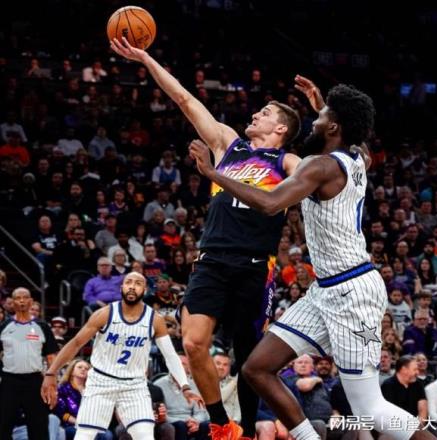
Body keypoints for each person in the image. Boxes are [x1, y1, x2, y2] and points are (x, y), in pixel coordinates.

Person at [189, 75, 436, 440]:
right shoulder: (358, 157)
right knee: (256, 368)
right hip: (325, 291)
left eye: (320, 117)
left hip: (353, 291)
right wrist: (322, 103)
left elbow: (270, 203)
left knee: (370, 409)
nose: (312, 121)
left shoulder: (320, 167)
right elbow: (355, 140)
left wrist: (212, 173)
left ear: (334, 128)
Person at [110, 37, 302, 439]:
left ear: (281, 128)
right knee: (194, 343)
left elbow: (317, 180)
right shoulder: (228, 145)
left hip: (255, 266)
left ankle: (247, 428)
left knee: (249, 359)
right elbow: (184, 98)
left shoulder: (288, 162)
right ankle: (220, 424)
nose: (256, 114)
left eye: (265, 113)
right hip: (212, 259)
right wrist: (145, 59)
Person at [41, 272, 203, 440]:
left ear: (145, 290)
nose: (132, 286)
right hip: (101, 381)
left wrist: (185, 386)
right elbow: (76, 343)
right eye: (128, 282)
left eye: (138, 283)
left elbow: (170, 356)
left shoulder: (155, 320)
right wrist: (51, 372)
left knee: (145, 435)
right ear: (121, 287)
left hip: (134, 384)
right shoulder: (104, 314)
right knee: (85, 434)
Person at [0, 288, 59, 440]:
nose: (21, 301)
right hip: (9, 381)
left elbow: (51, 357)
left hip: (35, 381)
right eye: (17, 298)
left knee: (39, 427)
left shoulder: (42, 326)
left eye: (25, 297)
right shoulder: (4, 326)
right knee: (3, 425)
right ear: (12, 302)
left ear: (31, 301)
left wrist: (53, 385)